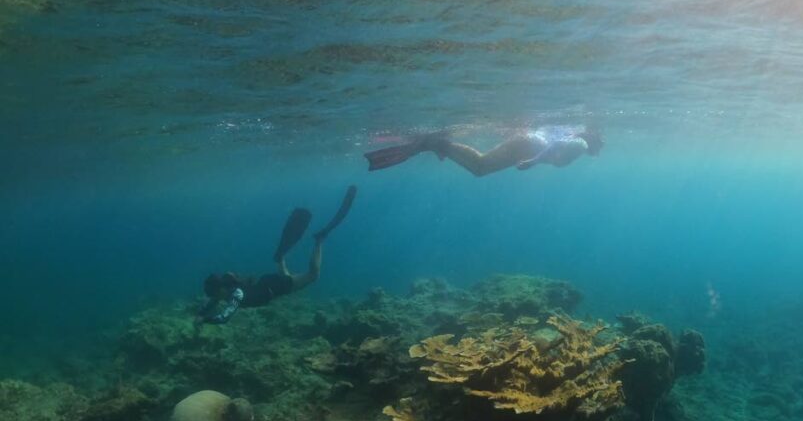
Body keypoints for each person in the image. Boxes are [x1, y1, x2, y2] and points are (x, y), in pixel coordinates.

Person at [197, 186, 357, 325]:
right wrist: (201, 313)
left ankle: (319, 240)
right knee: (287, 275)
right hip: (267, 284)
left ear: (221, 288)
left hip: (275, 287)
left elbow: (225, 317)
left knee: (313, 275)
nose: (216, 298)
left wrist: (204, 320)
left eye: (216, 294)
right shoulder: (223, 290)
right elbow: (212, 302)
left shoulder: (235, 295)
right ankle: (280, 258)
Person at [363, 126, 603, 176]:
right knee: (481, 166)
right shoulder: (580, 145)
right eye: (599, 146)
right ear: (592, 140)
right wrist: (533, 161)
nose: (599, 152)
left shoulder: (577, 143)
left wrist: (534, 159)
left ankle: (438, 144)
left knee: (480, 167)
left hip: (526, 144)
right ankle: (438, 143)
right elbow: (556, 146)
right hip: (527, 146)